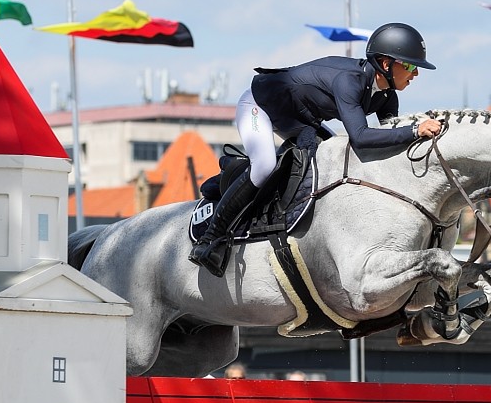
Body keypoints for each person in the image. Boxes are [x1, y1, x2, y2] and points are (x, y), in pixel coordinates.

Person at [189, 22, 443, 277]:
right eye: (409, 66)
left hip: (299, 120)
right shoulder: (350, 81)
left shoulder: (386, 96)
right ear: (386, 64)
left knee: (330, 162)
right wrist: (414, 130)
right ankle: (211, 238)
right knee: (264, 165)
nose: (415, 74)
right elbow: (361, 137)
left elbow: (387, 142)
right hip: (260, 105)